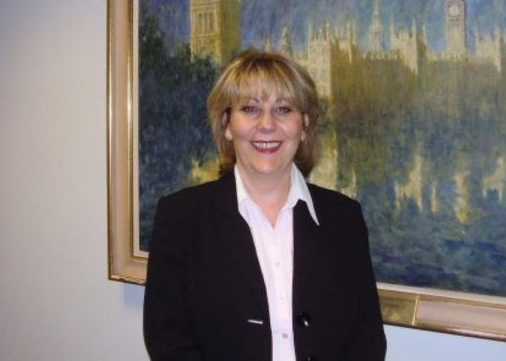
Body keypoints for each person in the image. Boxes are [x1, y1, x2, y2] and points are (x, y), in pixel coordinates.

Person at [143, 49, 386, 361]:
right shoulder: (181, 218)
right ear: (227, 124)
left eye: (284, 109)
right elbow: (169, 341)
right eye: (250, 108)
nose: (267, 124)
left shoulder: (344, 218)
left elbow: (366, 340)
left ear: (305, 124)